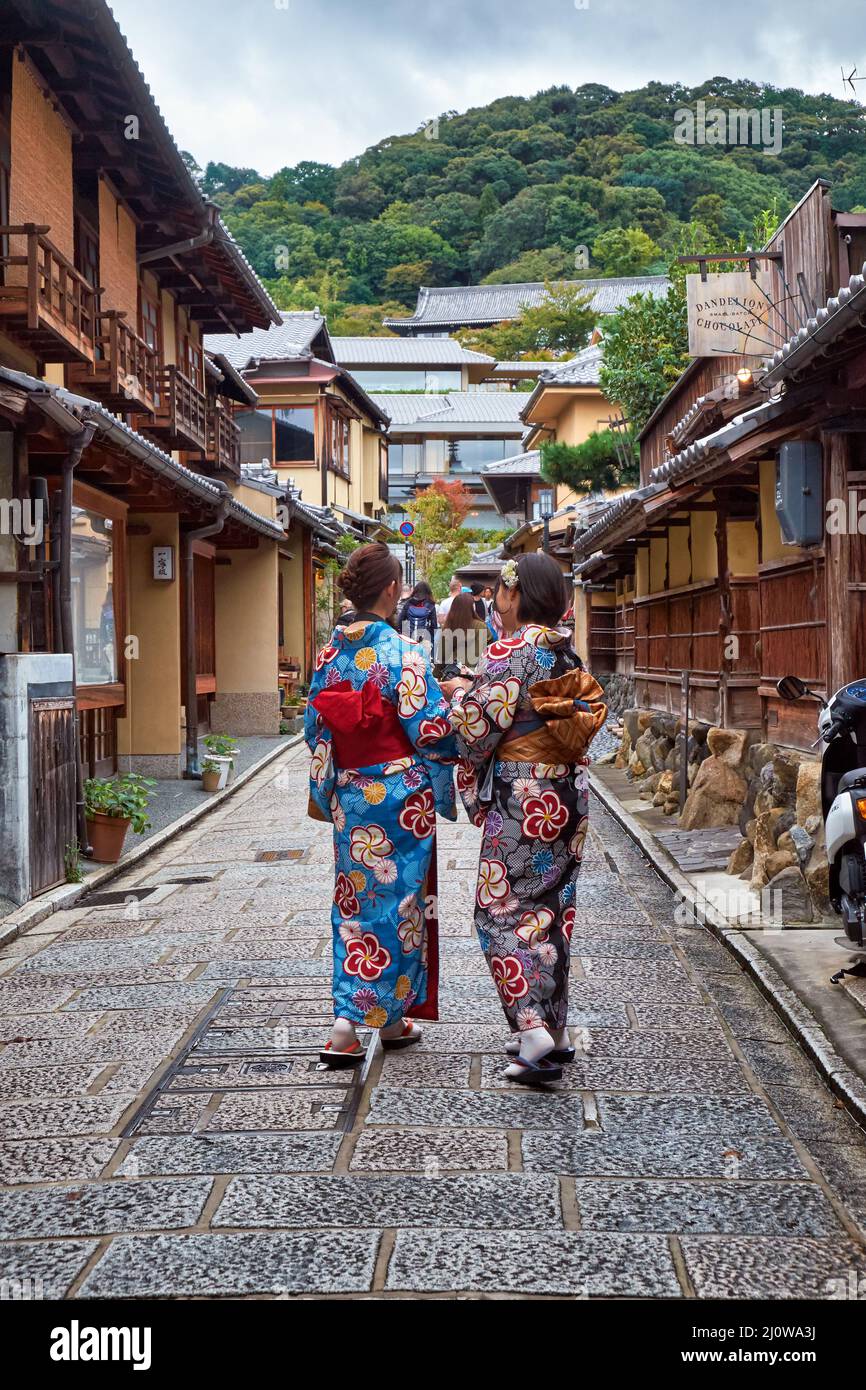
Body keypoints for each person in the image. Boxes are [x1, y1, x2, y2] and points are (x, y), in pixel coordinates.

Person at [441, 552, 607, 1086]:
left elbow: (475, 732)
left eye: (500, 592)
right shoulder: (566, 652)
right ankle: (556, 1033)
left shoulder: (508, 652)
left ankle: (532, 1031)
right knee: (553, 908)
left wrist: (460, 697)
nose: (495, 601)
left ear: (516, 595)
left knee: (498, 909)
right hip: (569, 792)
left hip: (523, 795)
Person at [305, 542, 459, 1068]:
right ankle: (373, 1016)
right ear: (393, 590)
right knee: (402, 905)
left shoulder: (328, 656)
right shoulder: (403, 654)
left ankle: (357, 1023)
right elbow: (432, 729)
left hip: (352, 796)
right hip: (400, 798)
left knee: (354, 901)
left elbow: (314, 729)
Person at [434, 591, 489, 679]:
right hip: (475, 676)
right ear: (472, 608)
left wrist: (437, 674)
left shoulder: (449, 627)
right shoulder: (481, 626)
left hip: (452, 675)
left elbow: (443, 655)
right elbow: (487, 651)